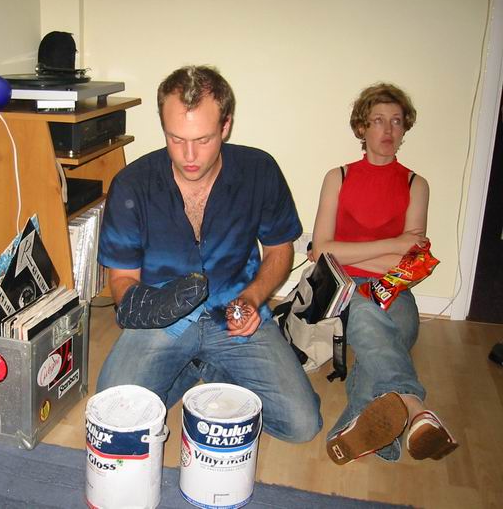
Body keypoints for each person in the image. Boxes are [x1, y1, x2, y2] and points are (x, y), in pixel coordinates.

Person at [96, 65, 321, 443]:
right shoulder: (132, 184)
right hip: (161, 320)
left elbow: (279, 250)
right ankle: (197, 368)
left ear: (226, 126)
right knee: (113, 417)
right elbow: (121, 280)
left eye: (203, 139)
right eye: (175, 138)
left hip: (235, 312)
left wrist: (253, 297)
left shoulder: (259, 171)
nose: (189, 155)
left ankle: (201, 367)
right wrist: (147, 307)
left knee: (302, 425)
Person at [310, 82, 458, 464]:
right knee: (367, 317)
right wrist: (394, 244)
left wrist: (355, 252)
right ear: (362, 128)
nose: (388, 130)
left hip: (395, 289)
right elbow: (322, 251)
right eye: (378, 121)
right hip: (342, 287)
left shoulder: (416, 184)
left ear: (405, 128)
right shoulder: (338, 177)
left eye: (396, 121)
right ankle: (414, 406)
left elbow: (413, 263)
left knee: (393, 335)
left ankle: (368, 432)